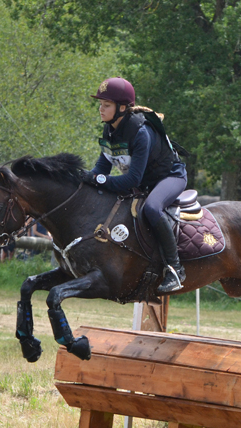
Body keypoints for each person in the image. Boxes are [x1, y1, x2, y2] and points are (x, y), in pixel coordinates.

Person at [89, 77, 188, 293]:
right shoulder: (110, 131)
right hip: (144, 182)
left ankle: (175, 269)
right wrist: (81, 179)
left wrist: (98, 180)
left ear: (122, 107)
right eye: (100, 104)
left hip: (170, 177)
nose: (101, 109)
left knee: (152, 208)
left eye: (106, 105)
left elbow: (131, 180)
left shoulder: (141, 132)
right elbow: (100, 172)